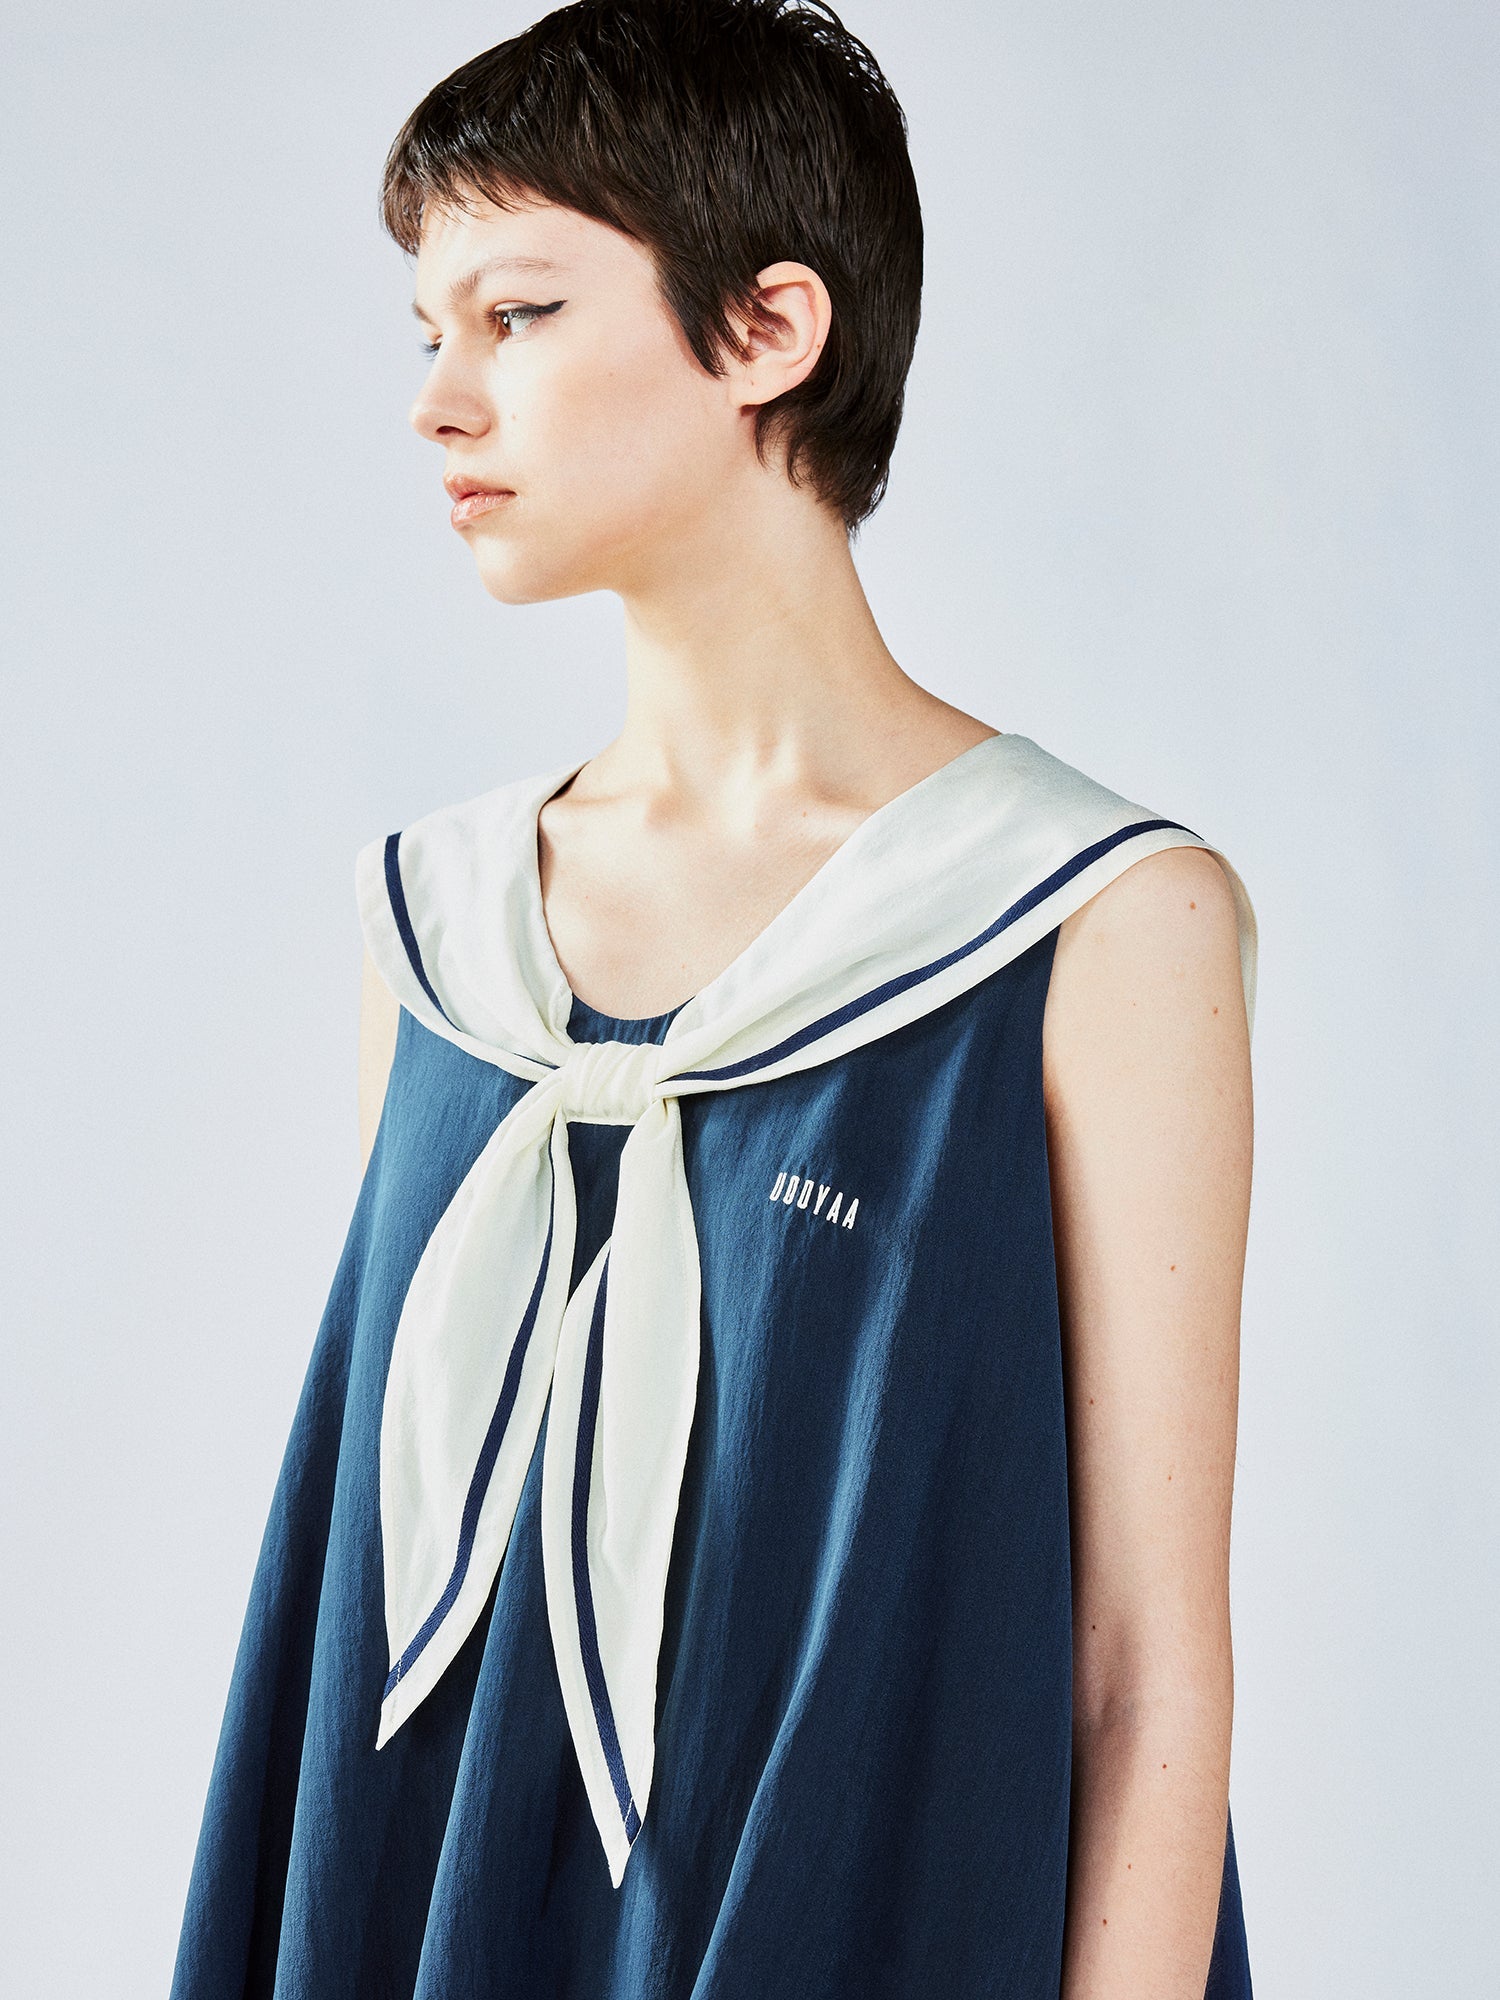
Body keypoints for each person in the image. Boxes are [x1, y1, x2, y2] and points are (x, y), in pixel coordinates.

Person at [171, 3, 1257, 1995]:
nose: (439, 402)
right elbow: (371, 1599)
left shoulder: (1095, 920)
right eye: (427, 334)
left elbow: (1144, 1671)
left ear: (768, 329)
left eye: (516, 314)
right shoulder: (440, 932)